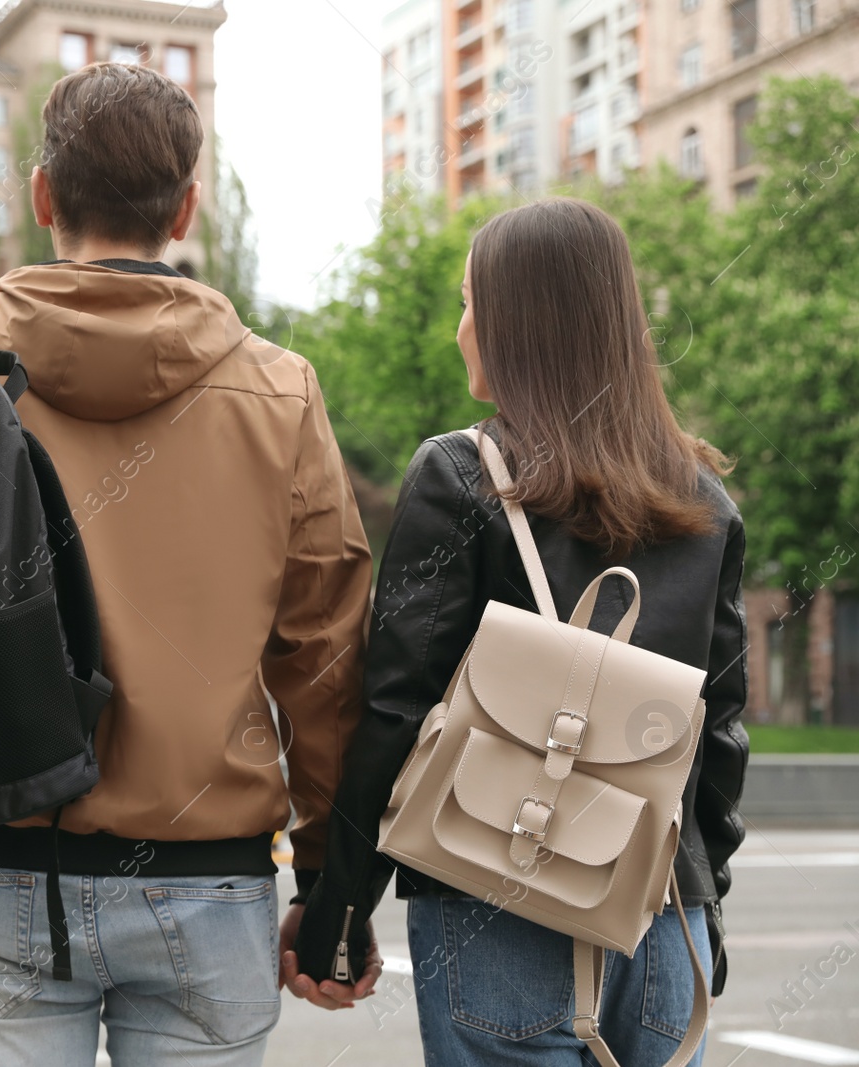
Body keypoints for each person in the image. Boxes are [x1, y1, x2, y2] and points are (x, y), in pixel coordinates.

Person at [0, 62, 374, 1066]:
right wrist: (330, 879)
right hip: (209, 878)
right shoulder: (278, 392)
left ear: (42, 195)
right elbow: (324, 657)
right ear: (186, 207)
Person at [285, 198, 749, 1066]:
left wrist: (339, 910)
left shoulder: (463, 476)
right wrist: (705, 895)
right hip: (660, 920)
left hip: (496, 898)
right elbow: (718, 732)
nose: (461, 328)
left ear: (514, 323)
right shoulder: (705, 501)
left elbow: (394, 711)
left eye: (470, 302)